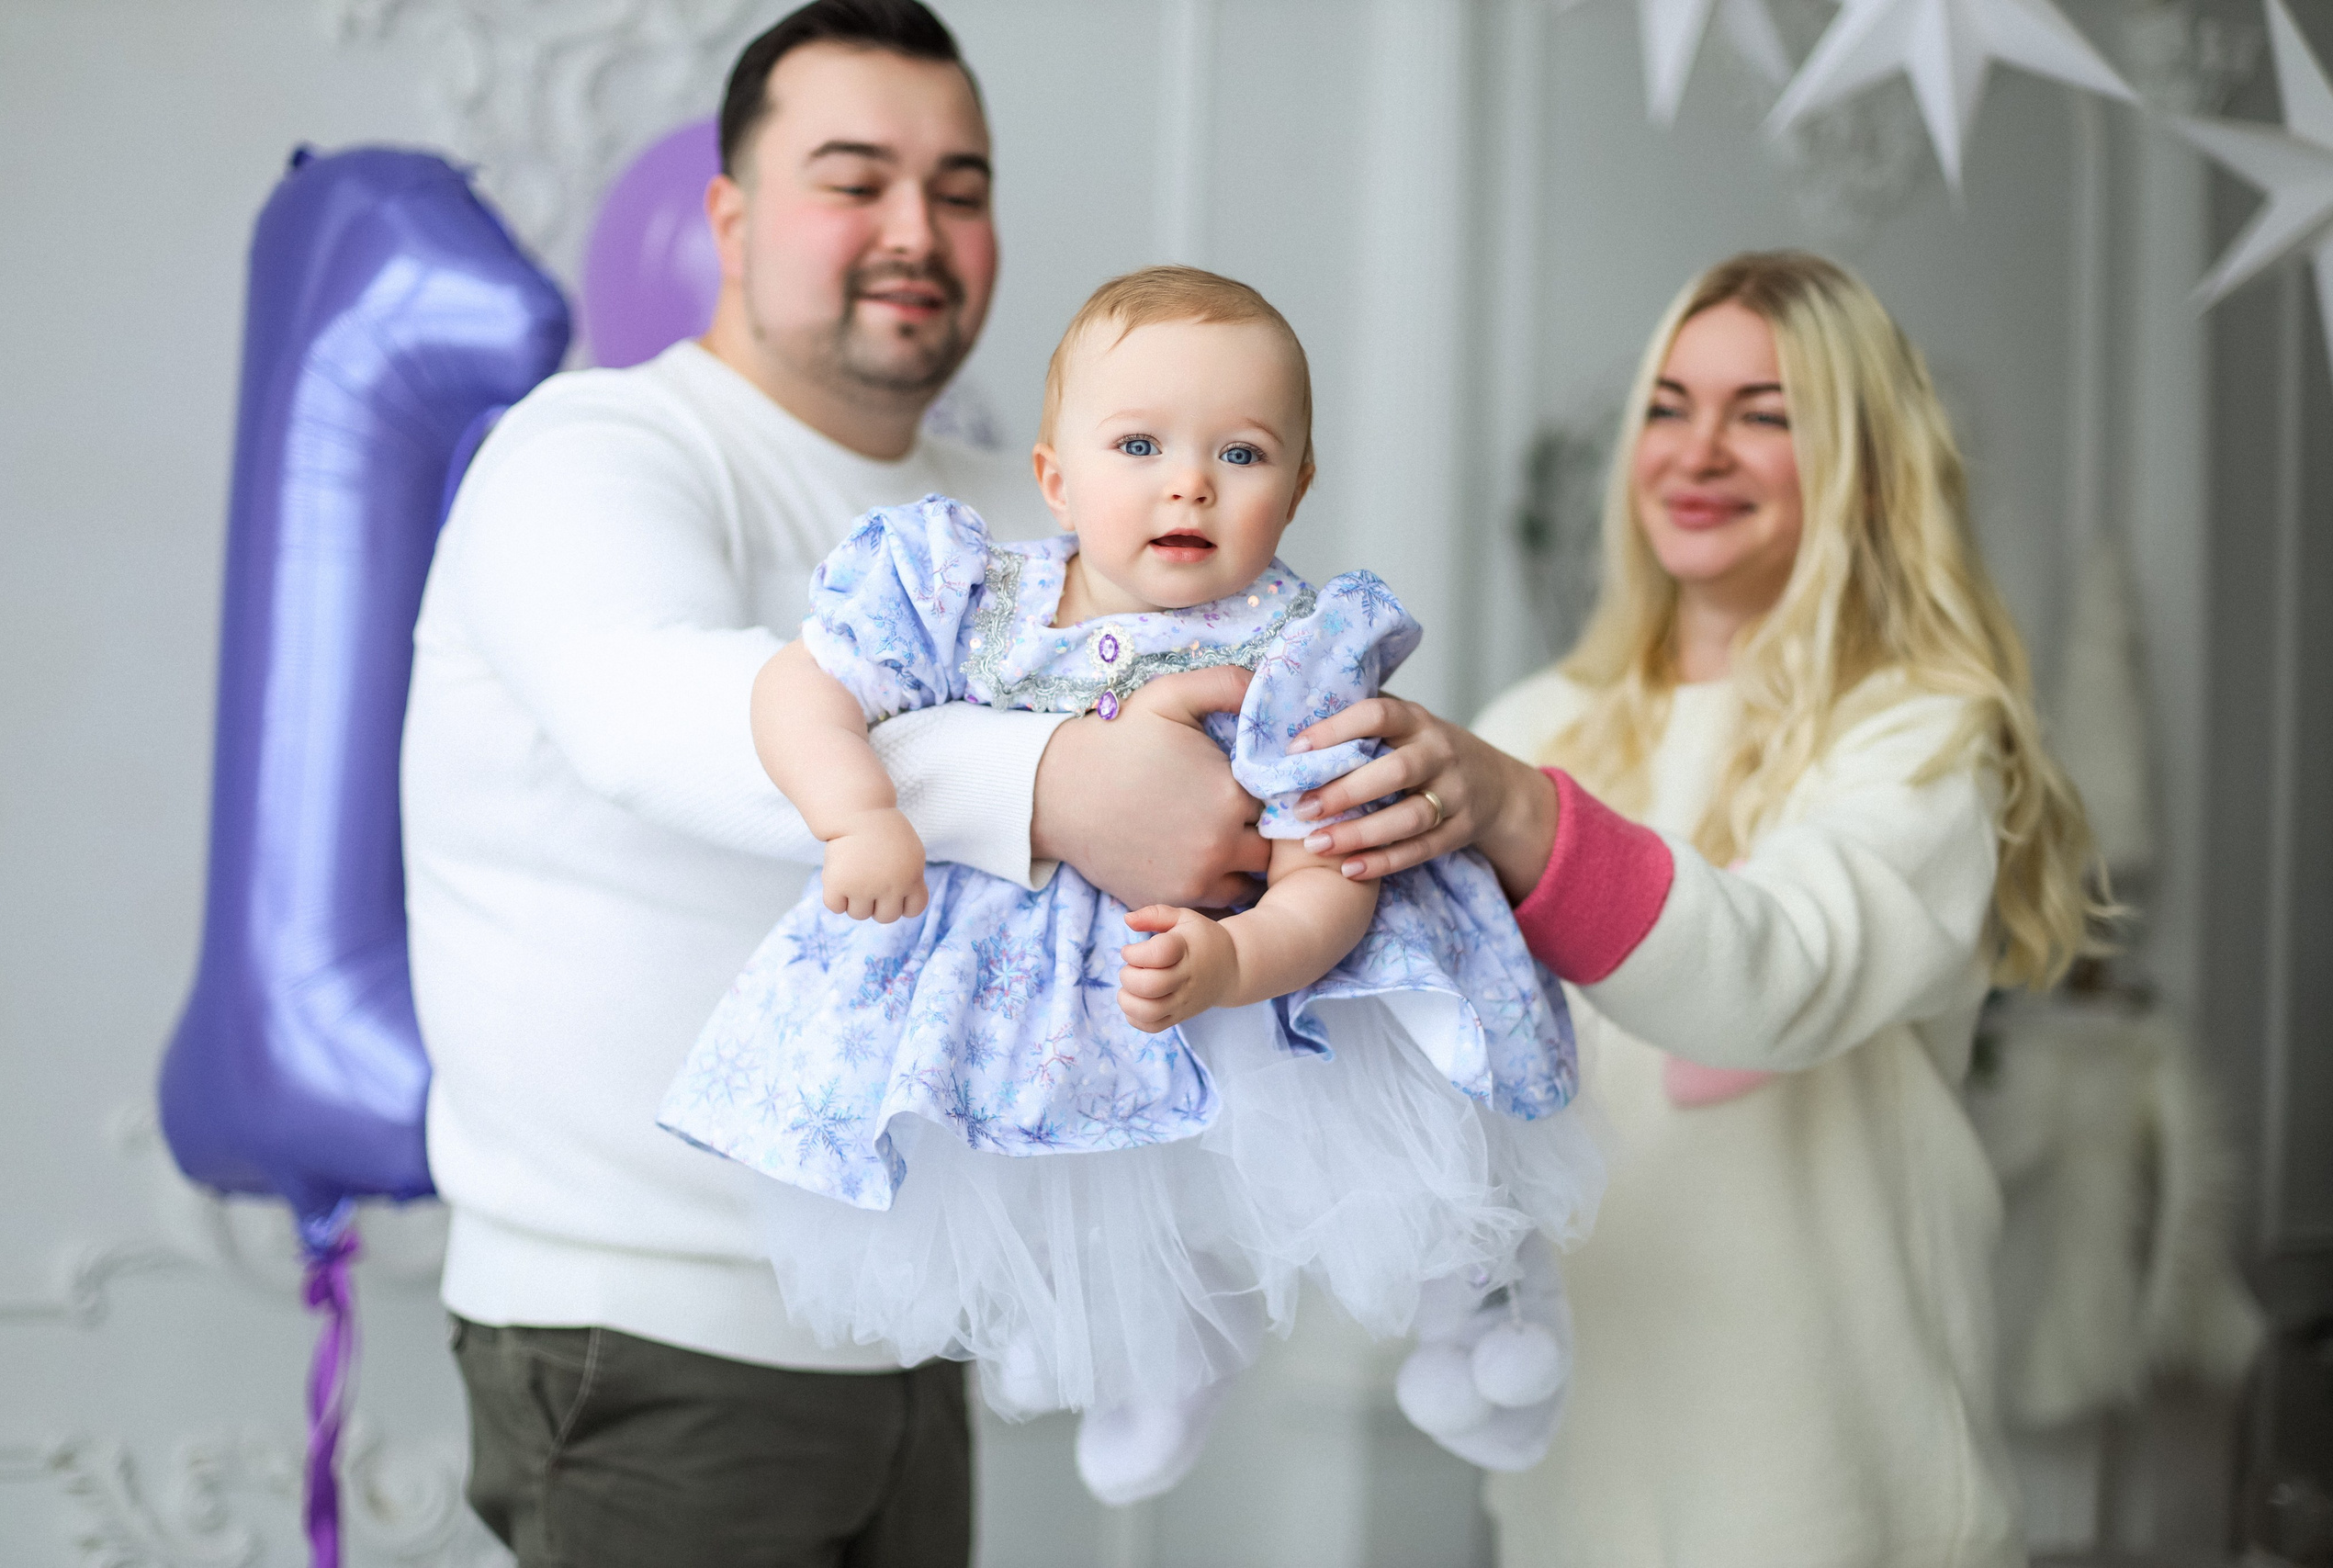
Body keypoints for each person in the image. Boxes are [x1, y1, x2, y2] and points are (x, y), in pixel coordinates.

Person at [400, 5, 1268, 1564]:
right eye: (853, 180)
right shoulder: (594, 449)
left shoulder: (1032, 511)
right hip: (648, 1334)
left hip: (907, 1324)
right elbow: (646, 706)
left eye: (960, 186)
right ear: (729, 215)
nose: (915, 233)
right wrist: (1058, 780)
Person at [657, 266, 1599, 1506]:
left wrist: (1244, 960)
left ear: (1300, 486)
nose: (1188, 482)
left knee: (1405, 1145)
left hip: (1279, 975)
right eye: (1140, 443)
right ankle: (1158, 1351)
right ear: (1055, 477)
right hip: (1043, 999)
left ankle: (1484, 1309)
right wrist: (859, 813)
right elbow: (799, 688)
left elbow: (1334, 869)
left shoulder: (1294, 650)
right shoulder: (964, 592)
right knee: (1088, 1166)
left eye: (1243, 452)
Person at [1286, 251, 2101, 1567]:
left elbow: (1780, 972)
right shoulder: (1543, 723)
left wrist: (1518, 815)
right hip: (1576, 1491)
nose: (1697, 449)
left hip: (1839, 1490)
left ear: (1870, 462)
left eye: (1764, 413)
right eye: (1668, 406)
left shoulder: (1922, 738)